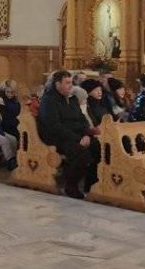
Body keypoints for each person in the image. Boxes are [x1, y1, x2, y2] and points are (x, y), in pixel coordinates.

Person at [38, 70, 101, 199]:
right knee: (81, 152)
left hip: (76, 136)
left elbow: (82, 119)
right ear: (57, 84)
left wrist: (86, 135)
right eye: (67, 83)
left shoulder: (73, 99)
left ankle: (91, 184)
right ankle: (71, 186)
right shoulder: (49, 100)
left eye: (71, 82)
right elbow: (55, 126)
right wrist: (78, 139)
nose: (71, 85)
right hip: (56, 139)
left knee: (99, 147)